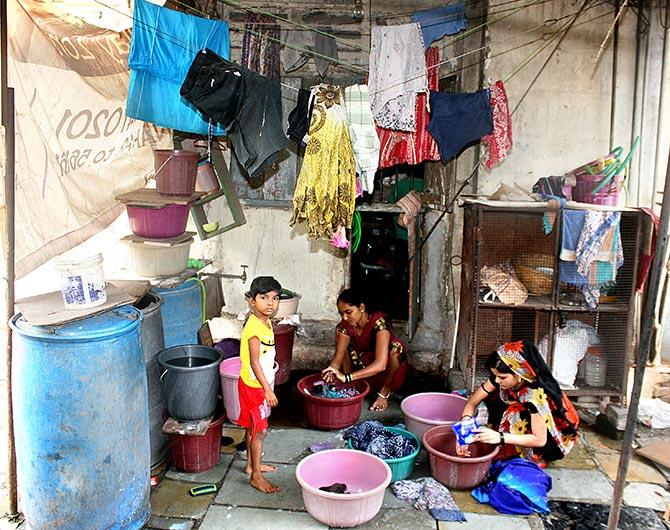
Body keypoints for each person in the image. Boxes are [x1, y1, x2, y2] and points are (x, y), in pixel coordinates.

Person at [457, 340, 579, 467]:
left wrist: (500, 437)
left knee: (514, 412)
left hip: (549, 435)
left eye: (503, 377)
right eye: (495, 376)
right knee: (497, 396)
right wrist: (465, 429)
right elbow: (472, 403)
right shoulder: (499, 377)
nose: (497, 380)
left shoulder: (535, 397)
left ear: (520, 374)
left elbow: (540, 439)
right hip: (528, 417)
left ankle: (529, 456)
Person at [322, 288, 408, 412]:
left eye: (348, 312)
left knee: (395, 350)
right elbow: (338, 359)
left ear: (361, 307)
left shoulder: (379, 323)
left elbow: (380, 365)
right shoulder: (344, 327)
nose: (345, 318)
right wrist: (332, 370)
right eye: (341, 314)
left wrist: (347, 378)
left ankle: (384, 392)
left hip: (387, 373)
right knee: (344, 342)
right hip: (363, 370)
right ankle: (351, 386)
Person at [238, 276, 282, 493]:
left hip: (257, 384)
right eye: (263, 298)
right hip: (255, 387)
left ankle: (250, 465)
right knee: (259, 431)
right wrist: (267, 390)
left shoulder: (266, 322)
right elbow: (255, 362)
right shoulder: (254, 327)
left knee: (253, 427)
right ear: (251, 301)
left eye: (274, 298)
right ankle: (256, 476)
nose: (270, 304)